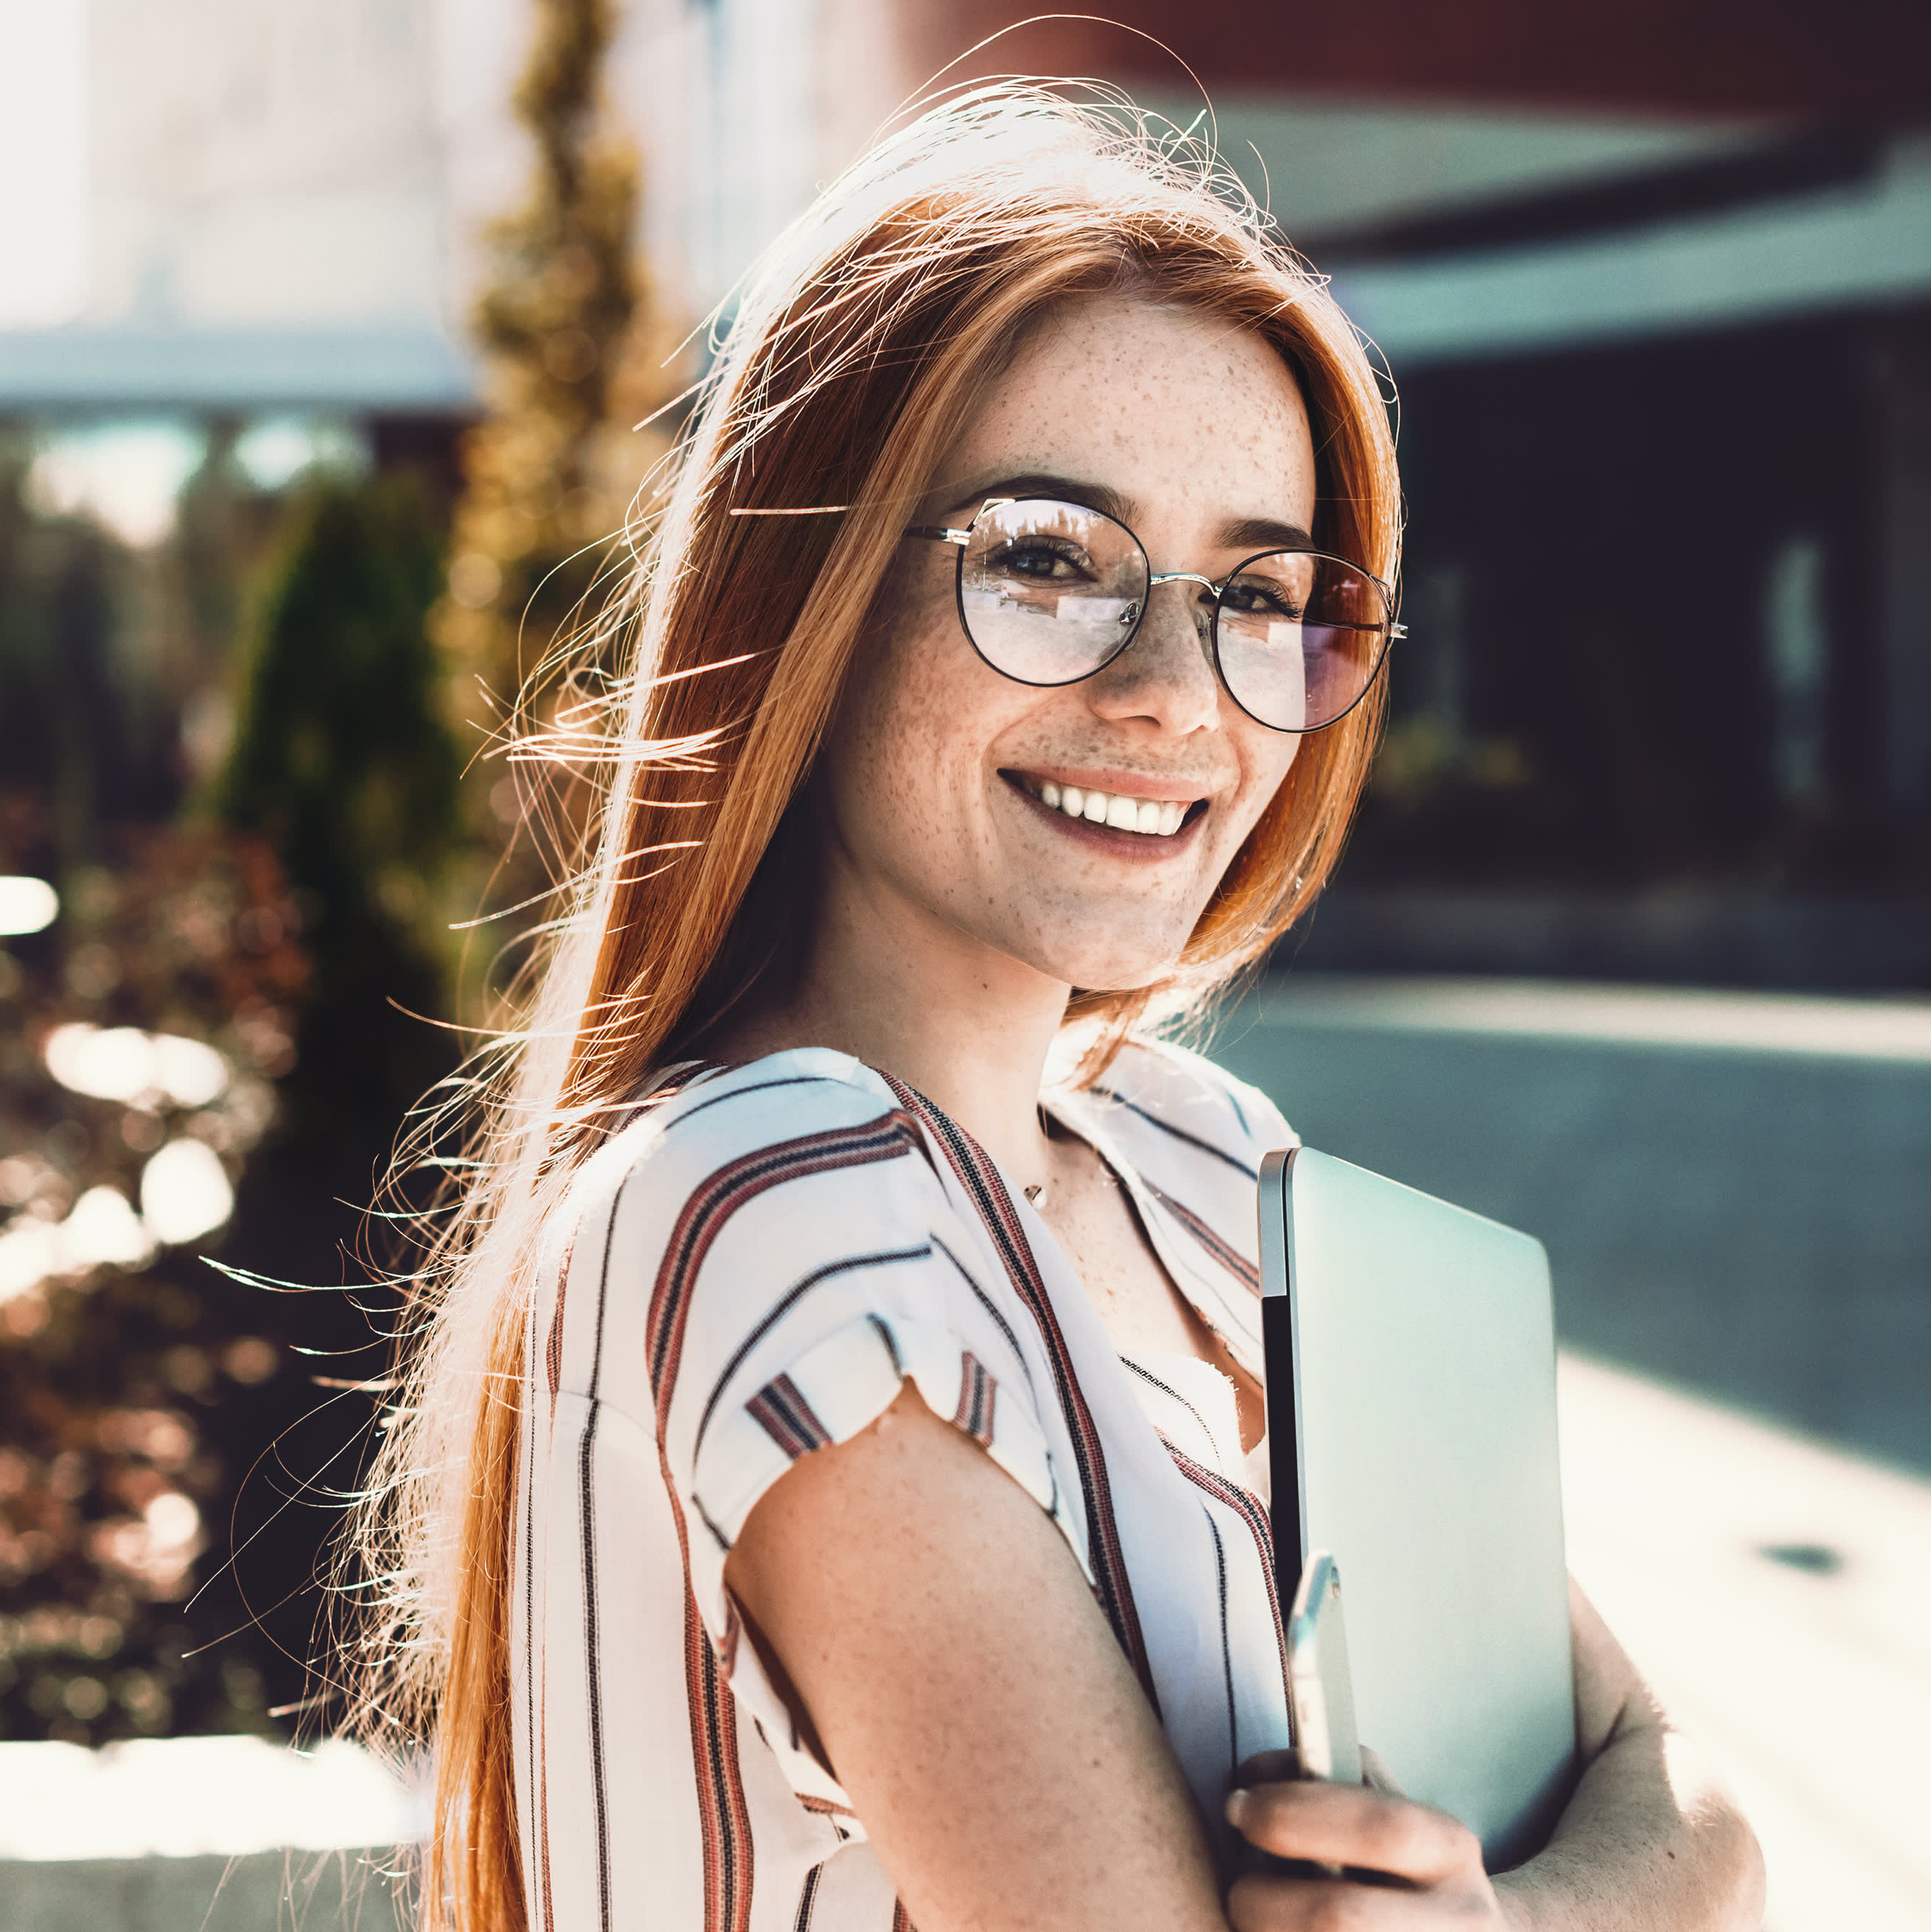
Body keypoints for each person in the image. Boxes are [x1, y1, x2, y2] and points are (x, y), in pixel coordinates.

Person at [350, 86, 1764, 1932]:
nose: (1180, 694)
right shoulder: (772, 1207)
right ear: (815, 592)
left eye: (1261, 593)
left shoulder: (1204, 1163)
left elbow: (1695, 1803)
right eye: (1044, 556)